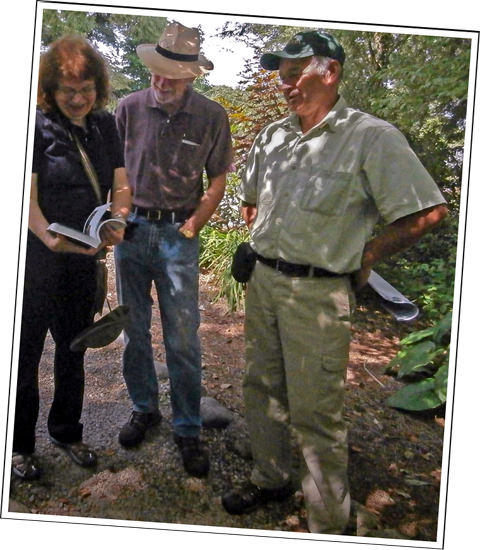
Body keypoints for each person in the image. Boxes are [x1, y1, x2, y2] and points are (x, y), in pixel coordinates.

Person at [221, 30, 448, 534]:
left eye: (295, 71)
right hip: (263, 282)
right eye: (280, 74)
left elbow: (428, 212)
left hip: (318, 294)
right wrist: (262, 236)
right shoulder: (272, 136)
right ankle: (271, 476)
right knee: (262, 387)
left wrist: (367, 253)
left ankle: (329, 520)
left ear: (331, 72)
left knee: (315, 411)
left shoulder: (371, 136)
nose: (285, 83)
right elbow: (251, 199)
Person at [115, 22, 234, 478]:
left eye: (172, 76)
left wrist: (194, 224)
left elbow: (218, 175)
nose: (162, 82)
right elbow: (117, 170)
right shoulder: (127, 108)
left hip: (177, 237)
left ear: (191, 77)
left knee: (182, 338)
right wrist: (117, 216)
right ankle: (144, 409)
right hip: (131, 231)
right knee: (134, 329)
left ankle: (187, 428)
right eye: (156, 73)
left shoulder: (211, 115)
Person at [12, 36, 131, 481]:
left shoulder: (105, 125)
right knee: (24, 353)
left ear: (98, 87)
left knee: (73, 347)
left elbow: (120, 183)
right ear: (50, 88)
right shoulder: (34, 125)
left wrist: (117, 220)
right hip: (36, 256)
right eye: (68, 90)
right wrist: (46, 235)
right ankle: (19, 444)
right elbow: (26, 195)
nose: (78, 99)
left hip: (85, 253)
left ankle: (66, 431)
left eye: (86, 89)